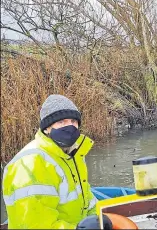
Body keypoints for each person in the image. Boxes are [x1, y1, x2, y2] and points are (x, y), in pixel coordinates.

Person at [2, 94, 99, 229]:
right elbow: (35, 224)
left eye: (73, 121)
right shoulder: (30, 164)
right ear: (47, 128)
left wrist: (99, 218)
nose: (69, 126)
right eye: (61, 122)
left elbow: (87, 200)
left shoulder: (72, 155)